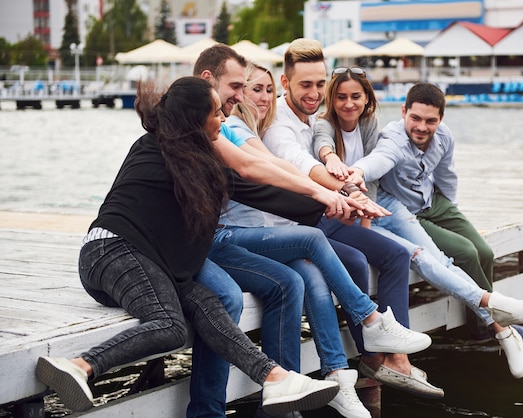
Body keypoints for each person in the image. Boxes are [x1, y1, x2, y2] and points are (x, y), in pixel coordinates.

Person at [34, 77, 341, 415]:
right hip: (110, 252)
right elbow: (255, 187)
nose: (223, 119)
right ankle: (80, 366)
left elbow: (259, 190)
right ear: (195, 119)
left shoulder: (188, 156)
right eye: (215, 113)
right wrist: (324, 201)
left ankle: (275, 377)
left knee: (211, 304)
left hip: (150, 261)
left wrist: (328, 203)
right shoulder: (162, 149)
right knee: (169, 325)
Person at [189, 44, 423, 418]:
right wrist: (334, 193)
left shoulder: (254, 125)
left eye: (267, 90)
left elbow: (283, 167)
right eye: (250, 88)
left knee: (301, 279)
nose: (262, 97)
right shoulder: (228, 126)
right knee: (310, 249)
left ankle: (322, 383)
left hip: (261, 231)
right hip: (225, 237)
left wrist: (334, 193)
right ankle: (368, 324)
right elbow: (269, 167)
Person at [313, 69, 523, 378]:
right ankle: (497, 316)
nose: (349, 103)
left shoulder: (369, 125)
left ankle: (501, 326)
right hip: (354, 211)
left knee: (447, 258)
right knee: (419, 256)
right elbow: (379, 156)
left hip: (389, 205)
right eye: (341, 96)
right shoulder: (331, 127)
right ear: (404, 112)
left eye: (356, 96)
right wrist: (353, 172)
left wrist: (362, 180)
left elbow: (444, 175)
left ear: (367, 99)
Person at [262, 38, 444, 398]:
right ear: (286, 84)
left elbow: (334, 148)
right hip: (300, 223)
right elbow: (305, 165)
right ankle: (373, 360)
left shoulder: (316, 116)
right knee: (358, 262)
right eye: (305, 85)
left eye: (319, 84)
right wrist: (348, 194)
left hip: (323, 215)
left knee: (394, 255)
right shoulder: (278, 125)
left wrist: (352, 196)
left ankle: (396, 360)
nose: (315, 93)